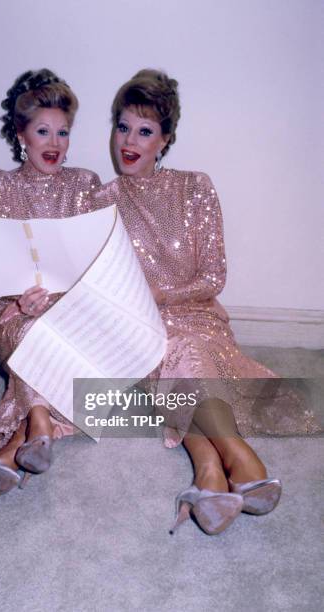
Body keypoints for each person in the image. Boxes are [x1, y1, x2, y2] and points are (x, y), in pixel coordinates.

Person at [92, 69, 318, 535]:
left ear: (165, 139)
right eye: (122, 126)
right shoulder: (101, 201)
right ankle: (233, 458)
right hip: (140, 326)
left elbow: (214, 276)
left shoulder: (195, 186)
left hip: (198, 316)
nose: (130, 141)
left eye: (145, 130)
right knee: (166, 349)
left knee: (186, 350)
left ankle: (211, 469)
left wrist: (162, 295)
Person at [0, 69, 101, 496]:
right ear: (22, 134)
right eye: (44, 131)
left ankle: (11, 450)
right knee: (32, 331)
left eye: (63, 132)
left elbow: (98, 260)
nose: (55, 144)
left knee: (59, 334)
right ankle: (40, 422)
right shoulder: (0, 187)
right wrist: (20, 302)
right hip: (8, 310)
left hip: (70, 308)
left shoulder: (86, 183)